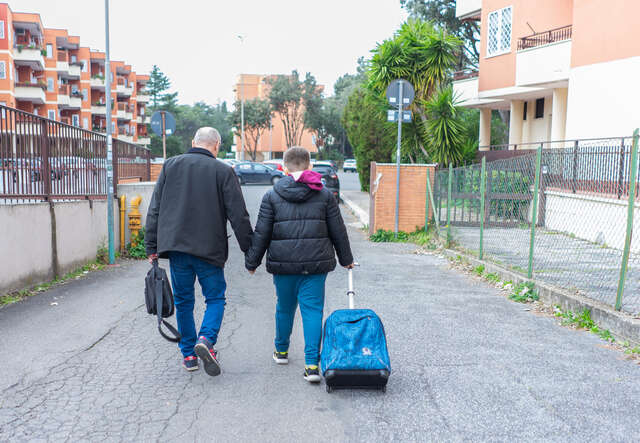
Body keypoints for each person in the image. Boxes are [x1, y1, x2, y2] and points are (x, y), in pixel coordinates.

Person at [145, 127, 253, 376]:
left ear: (194, 142)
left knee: (184, 302)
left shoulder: (170, 165)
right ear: (216, 146)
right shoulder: (223, 171)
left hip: (177, 249)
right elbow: (239, 216)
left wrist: (151, 246)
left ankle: (189, 356)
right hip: (209, 250)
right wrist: (251, 252)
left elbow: (155, 208)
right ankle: (206, 339)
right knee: (215, 298)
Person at [245, 146, 354, 383]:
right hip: (316, 265)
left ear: (284, 167)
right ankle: (311, 365)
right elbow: (338, 230)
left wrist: (252, 262)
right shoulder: (323, 195)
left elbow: (262, 232)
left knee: (284, 308)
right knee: (312, 311)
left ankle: (281, 351)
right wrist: (346, 259)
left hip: (284, 266)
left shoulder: (272, 195)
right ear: (309, 166)